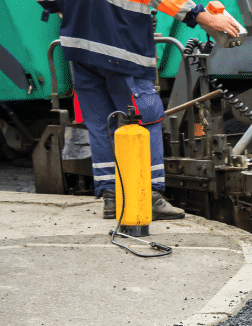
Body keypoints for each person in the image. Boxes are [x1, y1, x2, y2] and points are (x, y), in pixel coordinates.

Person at [37, 0, 240, 220]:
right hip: (120, 46)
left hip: (79, 47)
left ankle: (112, 197)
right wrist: (206, 17)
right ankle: (148, 197)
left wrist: (62, 9)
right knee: (147, 116)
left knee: (102, 123)